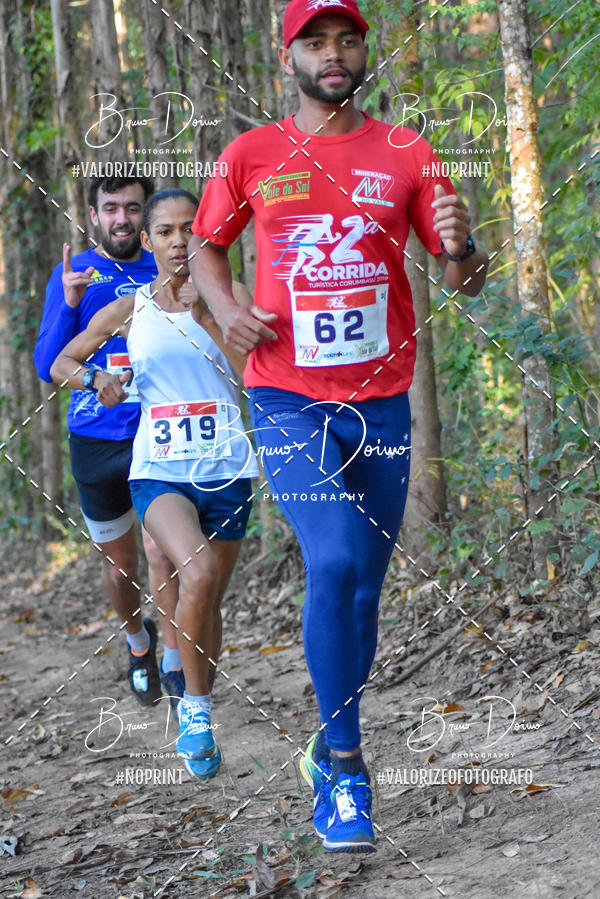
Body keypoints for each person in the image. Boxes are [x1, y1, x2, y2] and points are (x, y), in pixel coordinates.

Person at [187, 0, 489, 850]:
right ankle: (348, 771)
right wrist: (227, 308)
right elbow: (208, 245)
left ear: (363, 52)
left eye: (346, 39)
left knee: (362, 591)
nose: (333, 53)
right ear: (289, 57)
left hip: (382, 399)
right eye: (315, 41)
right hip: (286, 396)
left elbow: (463, 279)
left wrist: (465, 246)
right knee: (337, 555)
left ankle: (328, 739)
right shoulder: (250, 154)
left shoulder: (406, 151)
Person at [51, 189, 258, 779]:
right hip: (158, 469)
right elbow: (63, 361)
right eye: (164, 231)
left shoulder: (231, 300)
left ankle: (196, 693)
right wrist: (95, 380)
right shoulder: (131, 307)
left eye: (189, 230)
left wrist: (211, 319)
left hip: (226, 467)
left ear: (205, 238)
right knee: (197, 573)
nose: (177, 241)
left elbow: (255, 378)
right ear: (149, 242)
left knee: (208, 600)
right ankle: (194, 712)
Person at [34, 177, 180, 709]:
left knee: (162, 550)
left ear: (146, 216)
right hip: (96, 437)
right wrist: (68, 302)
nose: (122, 217)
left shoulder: (165, 265)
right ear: (94, 216)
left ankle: (174, 658)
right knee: (121, 565)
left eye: (133, 208)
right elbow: (47, 366)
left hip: (159, 431)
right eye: (111, 208)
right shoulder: (74, 275)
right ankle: (138, 643)